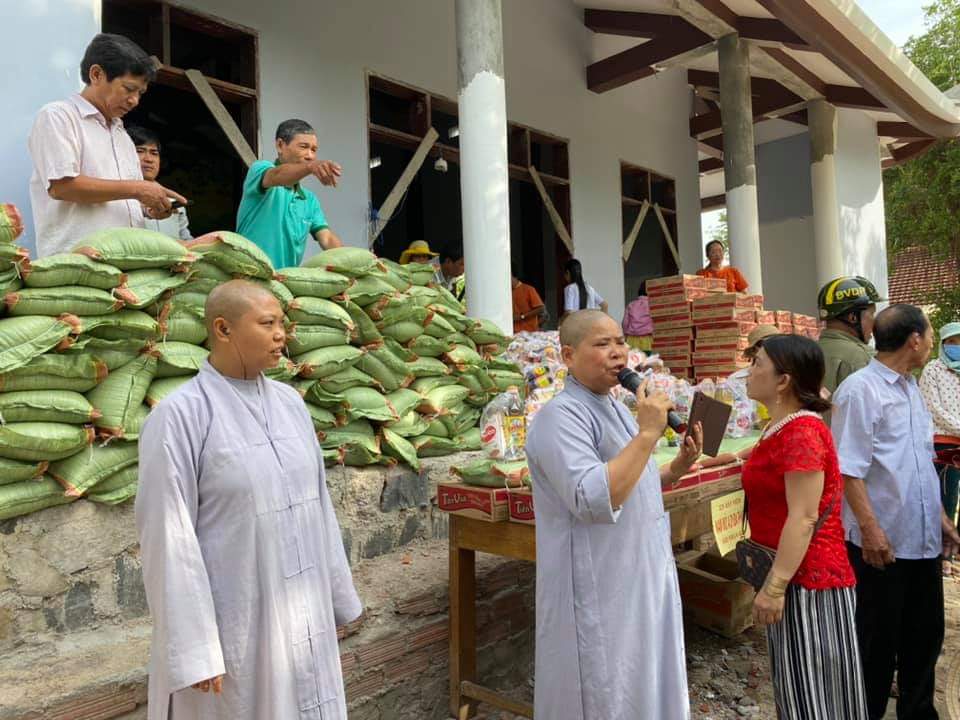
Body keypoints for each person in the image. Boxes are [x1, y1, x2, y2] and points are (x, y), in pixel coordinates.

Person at [136, 280, 362, 720]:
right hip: (234, 623)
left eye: (282, 323)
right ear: (223, 329)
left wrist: (335, 598)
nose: (282, 334)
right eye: (268, 323)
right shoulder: (180, 416)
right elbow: (168, 535)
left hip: (301, 611)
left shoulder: (291, 404)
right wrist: (195, 646)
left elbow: (319, 507)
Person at [525, 309, 703, 719]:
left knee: (645, 680)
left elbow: (631, 481)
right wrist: (646, 435)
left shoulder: (617, 407)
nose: (617, 353)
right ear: (568, 356)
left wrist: (675, 468)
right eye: (602, 345)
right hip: (599, 587)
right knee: (608, 689)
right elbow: (593, 498)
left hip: (639, 576)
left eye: (620, 342)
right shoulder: (558, 418)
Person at [832, 304, 960, 720]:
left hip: (920, 540)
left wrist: (941, 519)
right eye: (930, 336)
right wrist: (870, 530)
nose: (933, 345)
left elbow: (920, 461)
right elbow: (848, 470)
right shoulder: (860, 390)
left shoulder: (910, 389)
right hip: (881, 547)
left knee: (924, 638)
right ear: (915, 340)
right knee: (877, 645)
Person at [742, 334, 868, 719]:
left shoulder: (801, 432)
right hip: (796, 575)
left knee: (813, 698)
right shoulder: (785, 426)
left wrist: (775, 587)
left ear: (784, 380)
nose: (748, 371)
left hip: (808, 582)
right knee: (800, 691)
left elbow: (804, 516)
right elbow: (768, 461)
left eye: (757, 363)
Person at [28, 33, 186, 257]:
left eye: (140, 93)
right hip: (79, 264)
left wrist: (149, 208)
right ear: (97, 74)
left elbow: (118, 200)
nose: (135, 101)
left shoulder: (122, 135)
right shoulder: (59, 116)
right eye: (128, 89)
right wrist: (140, 189)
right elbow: (62, 187)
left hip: (127, 264)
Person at [236, 119, 343, 269]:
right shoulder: (260, 170)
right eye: (304, 147)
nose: (310, 155)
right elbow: (277, 175)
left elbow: (326, 238)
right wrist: (311, 167)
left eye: (314, 150)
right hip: (249, 277)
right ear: (280, 145)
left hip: (284, 284)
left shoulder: (309, 200)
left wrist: (353, 261)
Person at [919, 321, 960, 574]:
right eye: (952, 342)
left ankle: (955, 550)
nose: (957, 347)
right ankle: (941, 555)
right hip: (942, 441)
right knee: (944, 495)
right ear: (944, 344)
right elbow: (932, 406)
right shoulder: (933, 369)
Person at [817, 276, 882, 397]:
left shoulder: (806, 353)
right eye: (872, 314)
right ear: (852, 317)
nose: (875, 322)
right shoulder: (864, 357)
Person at [127, 125, 192, 240]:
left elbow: (186, 241)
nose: (149, 159)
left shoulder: (174, 202)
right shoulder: (116, 198)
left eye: (154, 153)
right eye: (140, 151)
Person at [512, 265, 545, 334]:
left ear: (515, 276)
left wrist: (522, 316)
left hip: (530, 332)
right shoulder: (506, 292)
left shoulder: (529, 289)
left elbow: (541, 308)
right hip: (513, 333)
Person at [621, 280, 654, 351]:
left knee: (634, 360)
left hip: (631, 339)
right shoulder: (652, 304)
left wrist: (625, 335)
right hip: (648, 339)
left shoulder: (631, 304)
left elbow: (625, 323)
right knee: (648, 360)